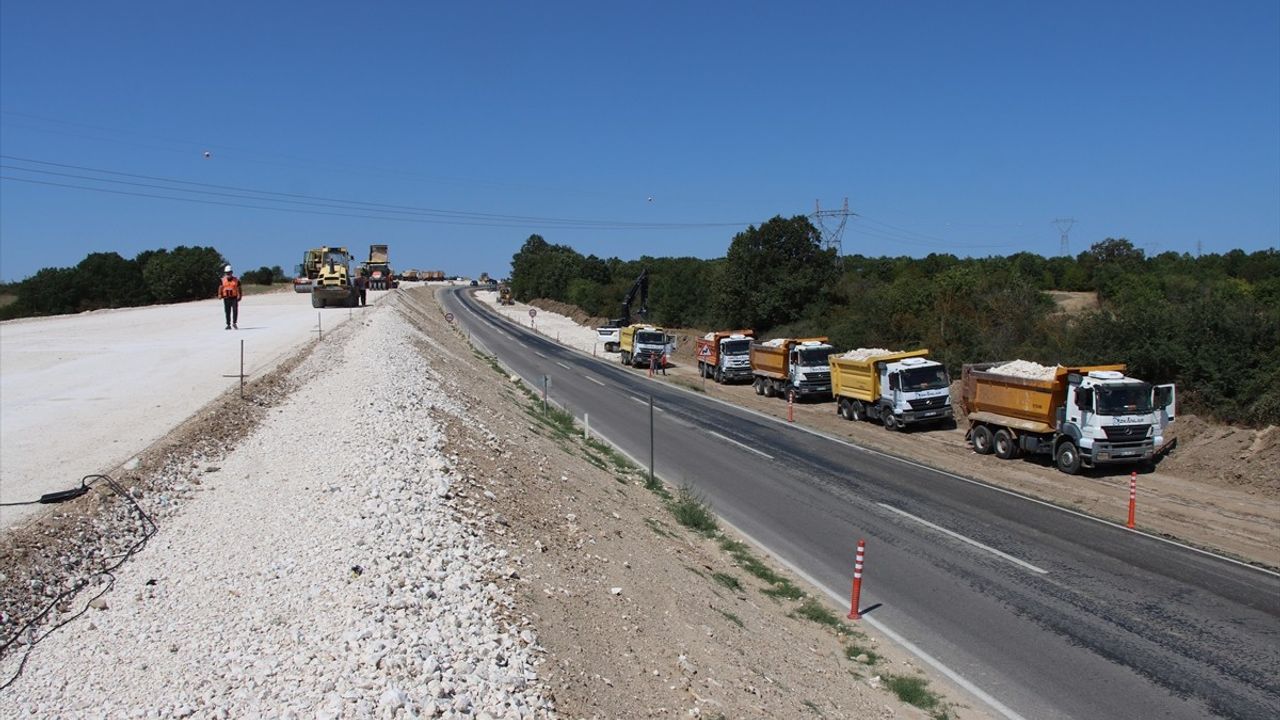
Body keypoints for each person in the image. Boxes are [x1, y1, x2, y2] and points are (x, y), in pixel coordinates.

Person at [219, 265, 242, 329]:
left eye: (229, 272)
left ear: (232, 272)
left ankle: (234, 323)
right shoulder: (222, 280)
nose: (228, 274)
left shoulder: (236, 280)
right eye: (227, 273)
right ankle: (228, 324)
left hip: (234, 298)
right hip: (226, 298)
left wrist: (240, 295)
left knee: (235, 310)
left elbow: (239, 288)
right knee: (227, 311)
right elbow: (220, 287)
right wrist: (219, 294)